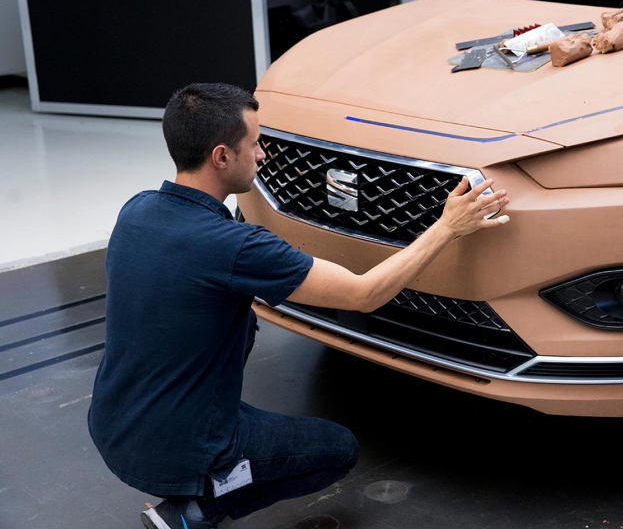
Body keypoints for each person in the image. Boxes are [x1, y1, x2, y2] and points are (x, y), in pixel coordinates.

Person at [87, 83, 510, 529]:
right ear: (221, 157)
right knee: (336, 450)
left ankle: (198, 472)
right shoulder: (235, 248)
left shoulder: (137, 210)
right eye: (254, 145)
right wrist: (448, 226)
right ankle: (195, 509)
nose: (263, 155)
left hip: (112, 423)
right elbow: (364, 294)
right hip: (175, 448)